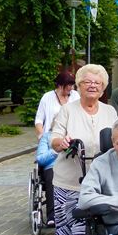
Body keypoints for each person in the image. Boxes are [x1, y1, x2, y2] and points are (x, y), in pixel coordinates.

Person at [50, 64, 118, 235]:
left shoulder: (110, 111)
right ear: (79, 85)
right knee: (66, 231)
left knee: (94, 228)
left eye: (97, 83)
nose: (92, 85)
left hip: (100, 182)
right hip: (69, 180)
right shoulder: (67, 111)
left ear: (103, 88)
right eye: (87, 82)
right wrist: (63, 142)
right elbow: (55, 137)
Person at [34, 72, 80, 226]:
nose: (71, 88)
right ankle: (53, 215)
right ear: (60, 85)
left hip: (71, 138)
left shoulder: (75, 96)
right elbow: (39, 120)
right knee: (51, 174)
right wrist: (43, 136)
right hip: (51, 137)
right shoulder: (47, 97)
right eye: (69, 85)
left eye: (72, 85)